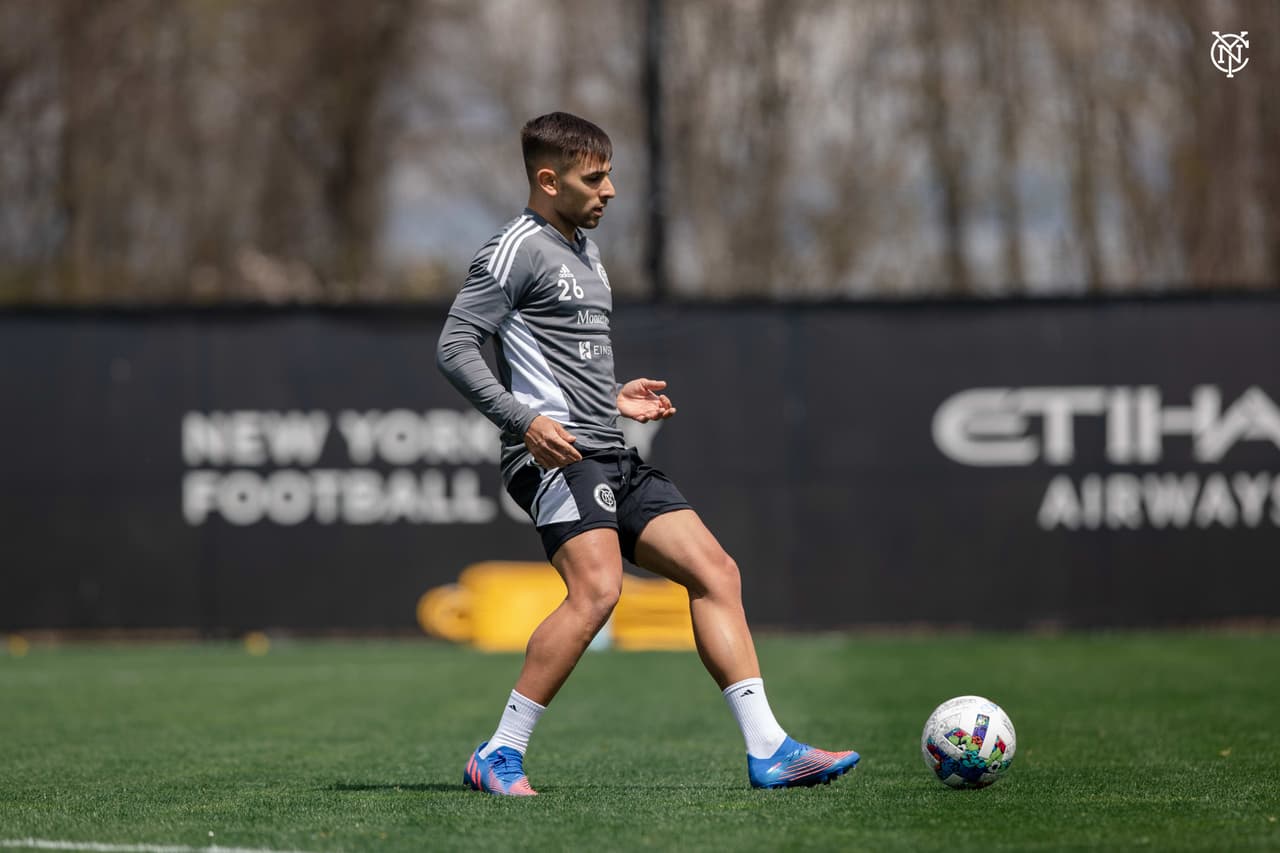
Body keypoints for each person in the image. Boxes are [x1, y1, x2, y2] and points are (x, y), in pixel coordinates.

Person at [437, 112, 859, 796]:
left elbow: (556, 363)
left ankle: (770, 749)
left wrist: (612, 396)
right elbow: (454, 348)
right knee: (599, 590)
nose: (610, 190)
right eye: (594, 177)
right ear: (548, 180)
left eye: (609, 175)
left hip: (608, 447)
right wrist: (524, 421)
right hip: (554, 456)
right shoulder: (513, 248)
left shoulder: (585, 252)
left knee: (716, 570)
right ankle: (499, 752)